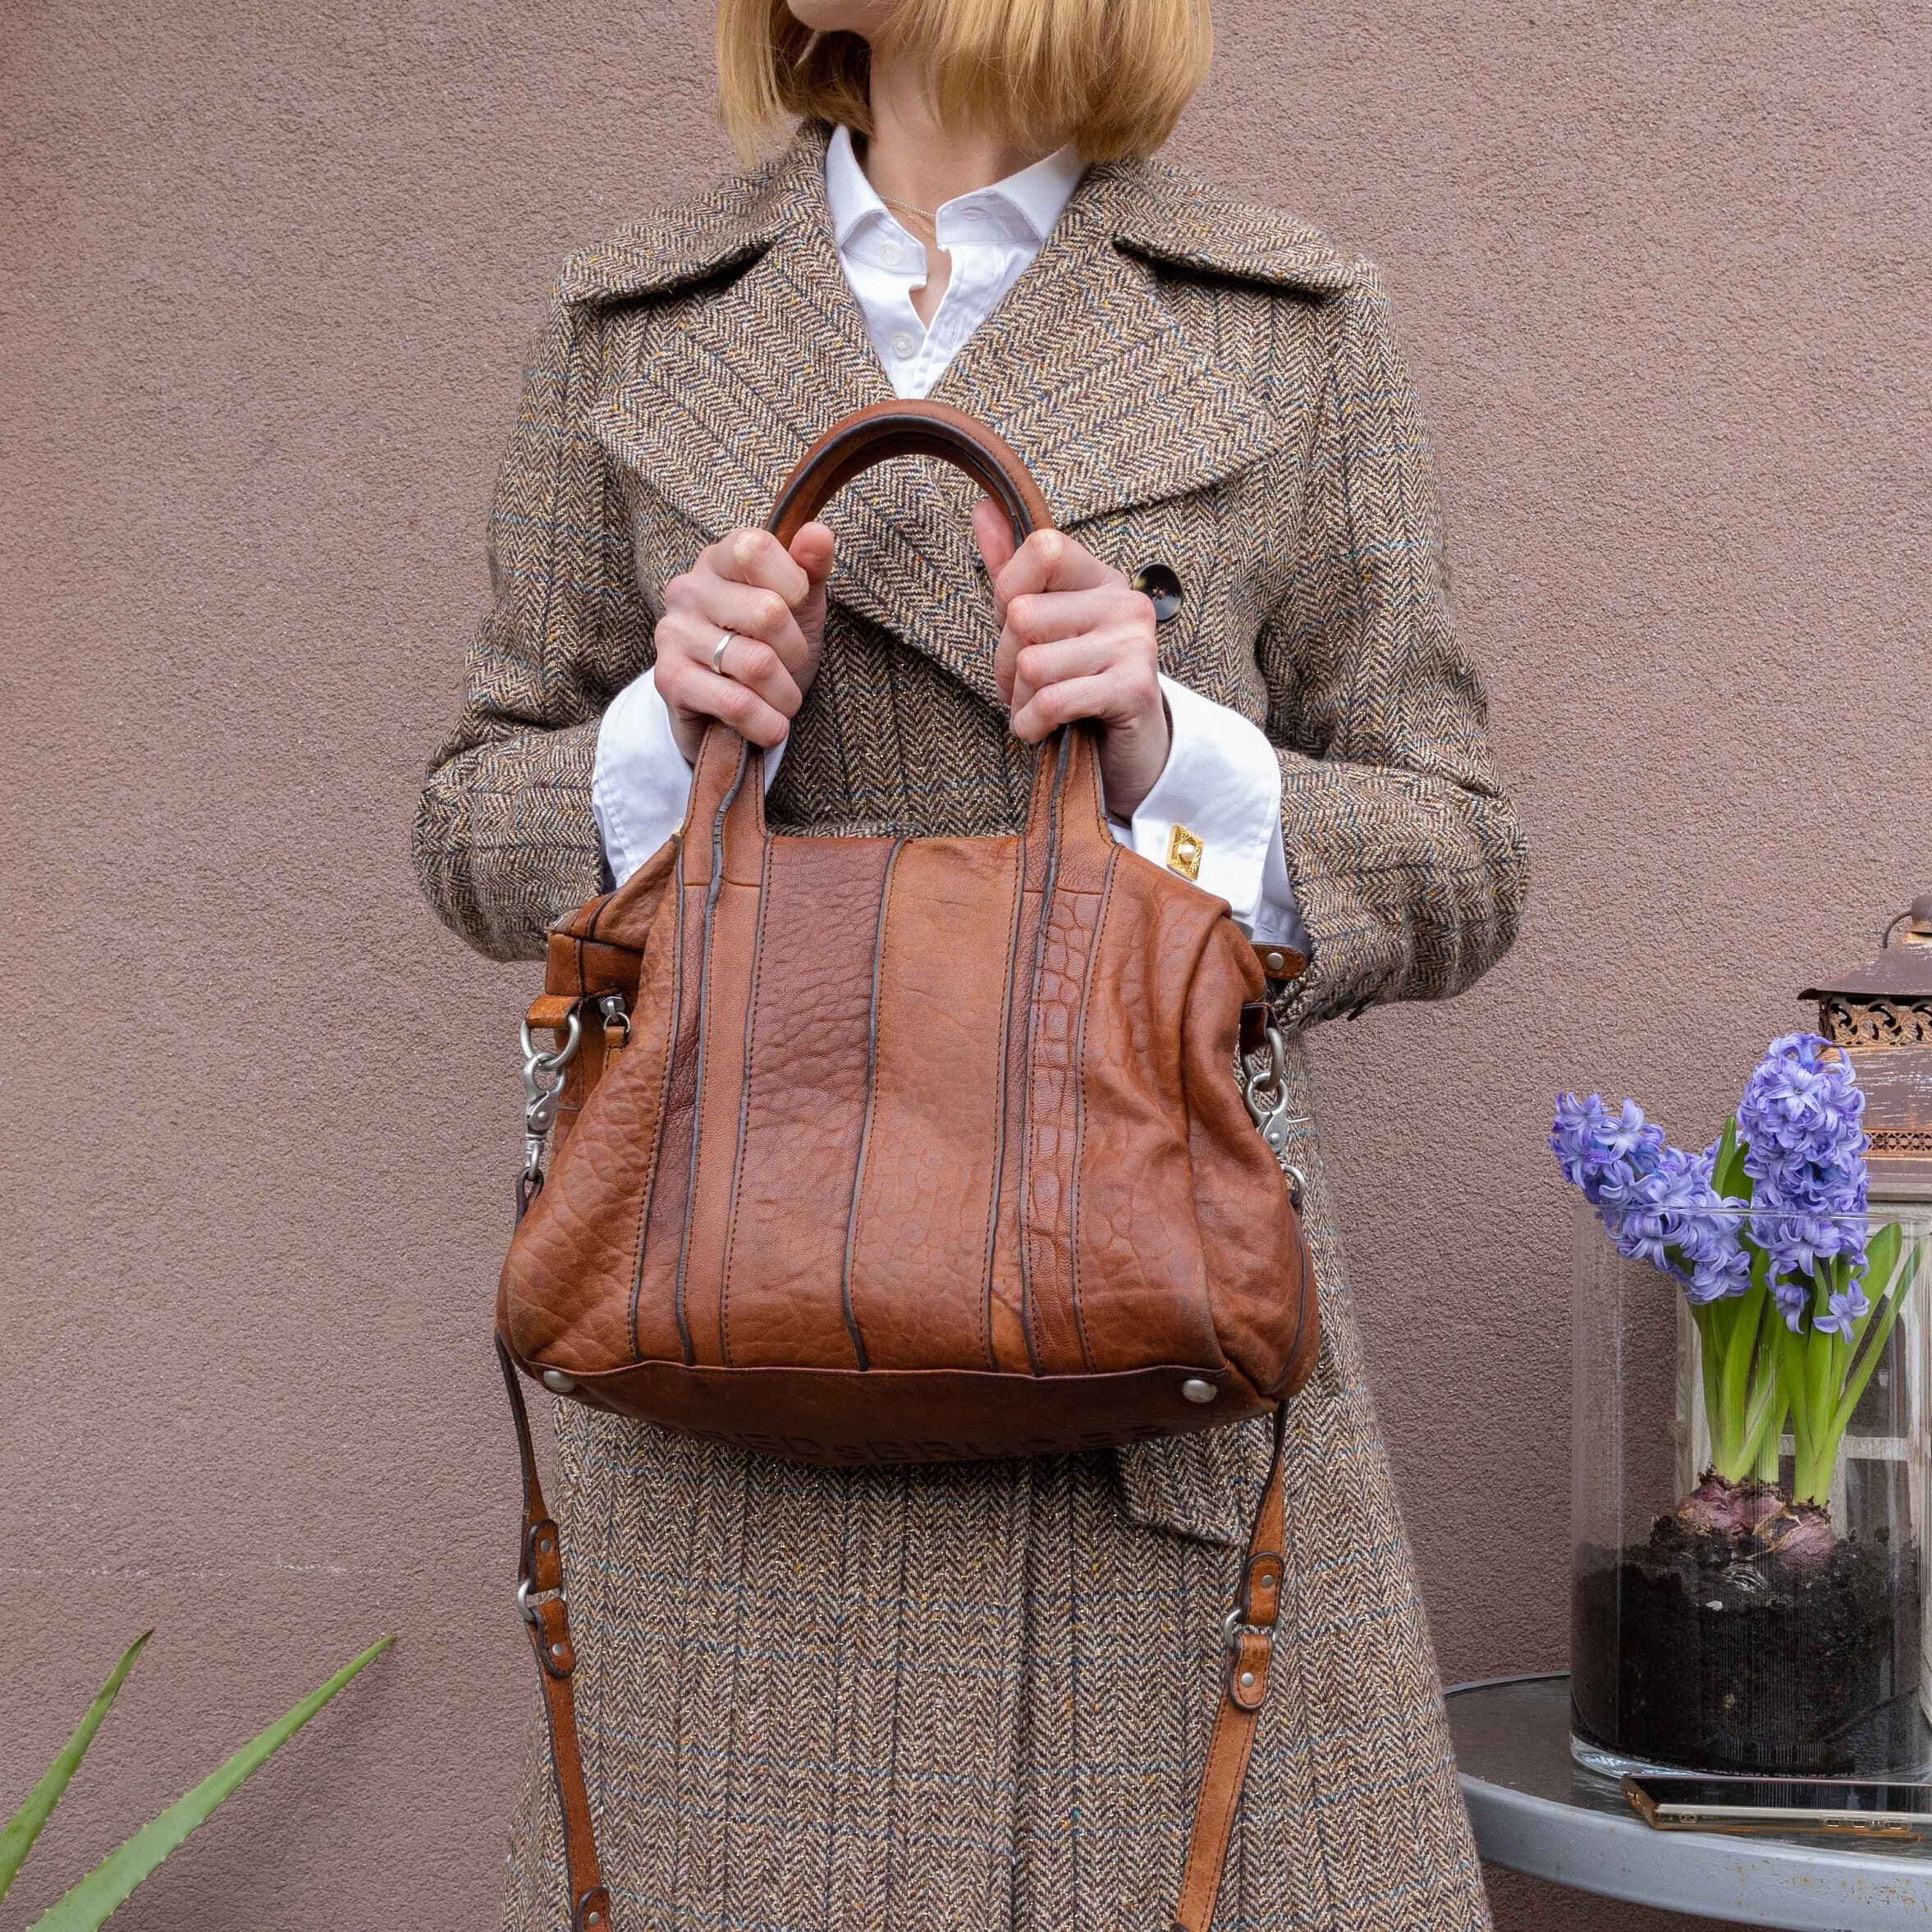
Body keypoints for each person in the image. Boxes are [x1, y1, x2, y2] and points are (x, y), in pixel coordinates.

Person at [414, 2, 1527, 1927]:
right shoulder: (632, 329)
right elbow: (462, 831)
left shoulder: (1289, 326)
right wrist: (648, 742)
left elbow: (1463, 857)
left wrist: (1175, 754)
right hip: (730, 1403)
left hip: (1154, 1433)